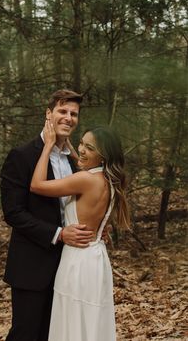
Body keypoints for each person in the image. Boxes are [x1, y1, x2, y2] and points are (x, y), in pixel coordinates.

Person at [0, 89, 95, 341]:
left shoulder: (77, 162)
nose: (68, 117)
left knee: (57, 334)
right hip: (32, 265)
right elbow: (13, 213)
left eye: (73, 114)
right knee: (26, 334)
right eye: (62, 111)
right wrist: (59, 234)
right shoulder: (21, 156)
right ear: (48, 114)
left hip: (70, 265)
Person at [30, 123, 131, 341]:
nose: (82, 150)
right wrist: (73, 147)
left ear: (103, 155)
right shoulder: (109, 179)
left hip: (77, 260)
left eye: (90, 148)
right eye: (82, 143)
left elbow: (37, 185)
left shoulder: (85, 180)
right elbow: (84, 163)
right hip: (96, 258)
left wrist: (48, 146)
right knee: (89, 319)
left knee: (72, 320)